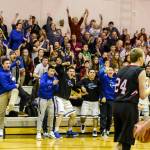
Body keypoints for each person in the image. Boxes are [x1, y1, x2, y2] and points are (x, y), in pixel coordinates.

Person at [113, 48, 150, 150]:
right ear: (140, 58)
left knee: (121, 141)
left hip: (116, 106)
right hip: (128, 107)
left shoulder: (121, 69)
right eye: (143, 57)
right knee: (126, 144)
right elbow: (143, 95)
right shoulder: (140, 71)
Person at [54, 66, 79, 138]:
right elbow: (58, 68)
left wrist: (80, 91)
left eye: (73, 71)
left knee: (73, 115)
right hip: (59, 98)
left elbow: (74, 88)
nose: (71, 72)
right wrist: (64, 64)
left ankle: (69, 131)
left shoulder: (73, 80)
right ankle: (56, 131)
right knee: (61, 114)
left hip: (66, 99)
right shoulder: (63, 76)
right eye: (70, 71)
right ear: (67, 72)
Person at [36, 66, 59, 140]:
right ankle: (38, 132)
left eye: (53, 71)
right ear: (48, 71)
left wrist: (55, 85)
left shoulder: (55, 78)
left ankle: (50, 131)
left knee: (51, 116)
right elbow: (42, 85)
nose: (52, 73)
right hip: (42, 99)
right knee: (41, 116)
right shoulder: (43, 77)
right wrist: (52, 83)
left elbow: (56, 89)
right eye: (51, 71)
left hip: (50, 99)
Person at [0, 58, 19, 138]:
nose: (8, 65)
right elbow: (6, 86)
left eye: (9, 63)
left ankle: (10, 106)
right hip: (2, 93)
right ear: (2, 65)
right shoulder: (1, 74)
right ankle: (0, 128)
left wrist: (14, 85)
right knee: (1, 112)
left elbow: (12, 82)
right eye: (6, 63)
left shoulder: (9, 71)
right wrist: (15, 85)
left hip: (9, 91)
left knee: (15, 90)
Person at [78, 69, 100, 137]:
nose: (92, 73)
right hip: (86, 101)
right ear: (88, 73)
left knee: (95, 117)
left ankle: (94, 130)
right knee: (83, 116)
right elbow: (77, 84)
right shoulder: (84, 80)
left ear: (95, 74)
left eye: (93, 72)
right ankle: (82, 124)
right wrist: (82, 86)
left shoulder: (98, 81)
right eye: (91, 72)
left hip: (95, 102)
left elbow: (102, 89)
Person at [98, 66, 116, 137]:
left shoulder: (116, 79)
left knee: (110, 116)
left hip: (113, 100)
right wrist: (102, 96)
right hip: (104, 99)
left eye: (111, 70)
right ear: (107, 72)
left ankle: (108, 129)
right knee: (103, 116)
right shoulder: (104, 78)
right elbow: (100, 74)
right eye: (109, 70)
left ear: (113, 72)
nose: (110, 71)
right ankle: (102, 130)